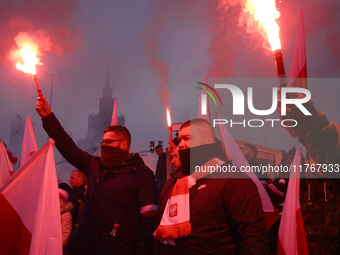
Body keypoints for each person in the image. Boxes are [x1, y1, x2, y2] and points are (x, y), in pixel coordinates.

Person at [36, 95, 159, 255]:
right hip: (88, 247)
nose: (104, 145)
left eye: (109, 142)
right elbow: (69, 148)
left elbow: (148, 220)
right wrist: (48, 118)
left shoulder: (141, 174)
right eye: (103, 142)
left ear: (124, 144)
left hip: (119, 249)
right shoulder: (95, 166)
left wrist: (142, 251)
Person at [154, 118, 269, 254]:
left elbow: (252, 240)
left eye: (187, 138)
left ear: (208, 140)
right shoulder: (172, 185)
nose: (181, 145)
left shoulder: (234, 180)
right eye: (179, 140)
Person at [59, 186, 73, 255]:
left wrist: (53, 244)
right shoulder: (50, 213)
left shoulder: (66, 215)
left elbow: (65, 235)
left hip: (58, 249)